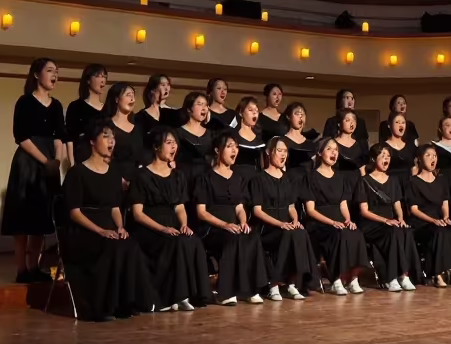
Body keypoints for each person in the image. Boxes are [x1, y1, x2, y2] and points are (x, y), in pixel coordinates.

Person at [61, 120, 156, 320]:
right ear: (92, 142)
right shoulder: (77, 173)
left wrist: (120, 227)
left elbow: (114, 207)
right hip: (83, 231)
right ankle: (102, 307)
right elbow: (74, 212)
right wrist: (100, 231)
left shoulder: (113, 172)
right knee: (111, 247)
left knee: (129, 245)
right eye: (106, 136)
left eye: (113, 137)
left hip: (108, 227)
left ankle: (126, 304)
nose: (111, 141)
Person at [129, 128, 213, 310]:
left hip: (173, 225)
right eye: (168, 142)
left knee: (193, 241)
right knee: (175, 242)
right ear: (156, 147)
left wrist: (184, 225)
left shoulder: (177, 176)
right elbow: (137, 213)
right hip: (149, 228)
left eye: (175, 143)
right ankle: (171, 295)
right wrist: (162, 229)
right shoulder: (141, 176)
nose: (174, 146)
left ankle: (188, 294)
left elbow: (180, 207)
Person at [1, 57, 65, 284]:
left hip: (49, 164)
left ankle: (35, 267)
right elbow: (21, 137)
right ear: (37, 74)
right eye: (50, 70)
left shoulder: (56, 105)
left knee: (40, 217)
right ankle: (22, 269)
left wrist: (56, 161)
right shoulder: (25, 102)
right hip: (28, 162)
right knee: (22, 217)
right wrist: (44, 160)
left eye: (56, 71)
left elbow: (60, 137)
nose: (54, 75)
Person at [193, 132, 270, 305]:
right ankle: (225, 292)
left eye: (236, 147)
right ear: (217, 151)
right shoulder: (205, 178)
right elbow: (201, 212)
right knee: (232, 238)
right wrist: (225, 225)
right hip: (212, 228)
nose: (234, 150)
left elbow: (239, 207)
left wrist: (243, 222)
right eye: (229, 147)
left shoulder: (237, 177)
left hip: (233, 226)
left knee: (252, 237)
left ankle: (250, 289)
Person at [250, 136, 320, 300]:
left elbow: (291, 207)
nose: (283, 155)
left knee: (299, 232)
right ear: (269, 153)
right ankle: (273, 285)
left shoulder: (288, 179)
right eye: (279, 151)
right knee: (289, 234)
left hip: (285, 225)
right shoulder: (258, 179)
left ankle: (292, 283)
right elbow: (257, 211)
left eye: (285, 151)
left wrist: (295, 221)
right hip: (267, 227)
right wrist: (280, 224)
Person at [304, 138, 370, 295]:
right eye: (329, 149)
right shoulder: (311, 177)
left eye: (336, 149)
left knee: (356, 234)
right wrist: (332, 222)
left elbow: (343, 205)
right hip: (319, 222)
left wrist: (348, 220)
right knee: (338, 235)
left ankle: (353, 278)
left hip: (338, 220)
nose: (334, 152)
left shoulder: (340, 178)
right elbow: (310, 210)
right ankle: (336, 279)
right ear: (320, 153)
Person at [357, 144, 421, 291]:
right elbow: (364, 211)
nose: (386, 159)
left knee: (406, 232)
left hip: (390, 222)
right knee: (392, 232)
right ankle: (391, 277)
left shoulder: (393, 180)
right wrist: (385, 220)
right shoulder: (364, 181)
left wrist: (400, 218)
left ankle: (405, 275)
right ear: (373, 159)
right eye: (382, 156)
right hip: (371, 223)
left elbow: (397, 203)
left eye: (388, 156)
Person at [405, 144, 451, 287]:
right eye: (428, 155)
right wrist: (433, 220)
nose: (432, 158)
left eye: (434, 155)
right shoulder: (413, 182)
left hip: (438, 219)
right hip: (421, 222)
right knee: (439, 233)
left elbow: (445, 203)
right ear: (419, 159)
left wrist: (445, 217)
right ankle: (437, 273)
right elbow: (414, 210)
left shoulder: (441, 180)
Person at [102, 82, 142, 196]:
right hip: (111, 179)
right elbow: (102, 156)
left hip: (135, 183)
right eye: (128, 95)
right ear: (116, 99)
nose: (132, 98)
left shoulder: (138, 128)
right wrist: (118, 179)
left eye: (133, 95)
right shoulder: (106, 125)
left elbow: (140, 158)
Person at [65, 64, 107, 166]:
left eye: (104, 77)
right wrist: (72, 163)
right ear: (88, 80)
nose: (102, 80)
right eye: (98, 76)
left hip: (104, 159)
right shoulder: (76, 106)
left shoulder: (108, 109)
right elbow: (70, 137)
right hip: (83, 157)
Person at [134, 74, 178, 161]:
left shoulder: (173, 114)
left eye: (168, 85)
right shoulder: (141, 116)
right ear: (153, 90)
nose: (166, 88)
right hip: (149, 159)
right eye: (162, 85)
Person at [174, 92, 214, 184]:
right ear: (189, 109)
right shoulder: (177, 133)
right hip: (184, 179)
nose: (204, 108)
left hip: (205, 180)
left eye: (206, 105)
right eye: (199, 104)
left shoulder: (211, 134)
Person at [332, 107, 368, 206]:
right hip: (339, 183)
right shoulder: (332, 144)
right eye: (347, 120)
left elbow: (363, 167)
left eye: (354, 120)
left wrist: (364, 186)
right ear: (339, 124)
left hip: (356, 184)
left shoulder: (360, 144)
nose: (352, 123)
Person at [282, 101, 317, 190]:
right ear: (288, 117)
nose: (300, 116)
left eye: (303, 114)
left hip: (308, 186)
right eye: (297, 113)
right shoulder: (282, 141)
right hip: (290, 185)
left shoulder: (310, 144)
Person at [381, 111, 415, 199]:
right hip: (390, 185)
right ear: (389, 125)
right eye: (397, 122)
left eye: (403, 122)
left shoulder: (411, 146)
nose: (401, 125)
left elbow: (414, 167)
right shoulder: (382, 146)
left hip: (408, 185)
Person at [232, 96, 266, 169]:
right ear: (241, 113)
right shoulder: (233, 135)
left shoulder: (259, 136)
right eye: (250, 110)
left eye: (256, 111)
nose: (254, 113)